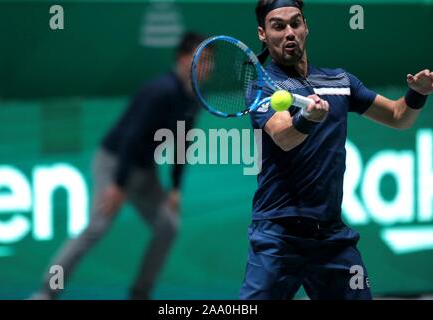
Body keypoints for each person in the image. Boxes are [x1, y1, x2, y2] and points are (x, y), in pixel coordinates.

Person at [239, 0, 432, 300]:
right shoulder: (263, 86)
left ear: (306, 27)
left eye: (295, 23)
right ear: (263, 34)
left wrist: (416, 94)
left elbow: (398, 116)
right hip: (277, 236)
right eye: (278, 26)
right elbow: (283, 136)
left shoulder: (341, 82)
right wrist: (307, 118)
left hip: (331, 239)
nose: (289, 32)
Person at [31, 32, 205, 300]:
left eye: (210, 60)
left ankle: (140, 294)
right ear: (183, 59)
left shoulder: (193, 99)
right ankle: (46, 292)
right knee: (96, 228)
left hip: (144, 171)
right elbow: (131, 136)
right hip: (114, 163)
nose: (208, 66)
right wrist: (118, 184)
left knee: (168, 227)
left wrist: (176, 188)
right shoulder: (159, 90)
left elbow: (182, 143)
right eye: (201, 59)